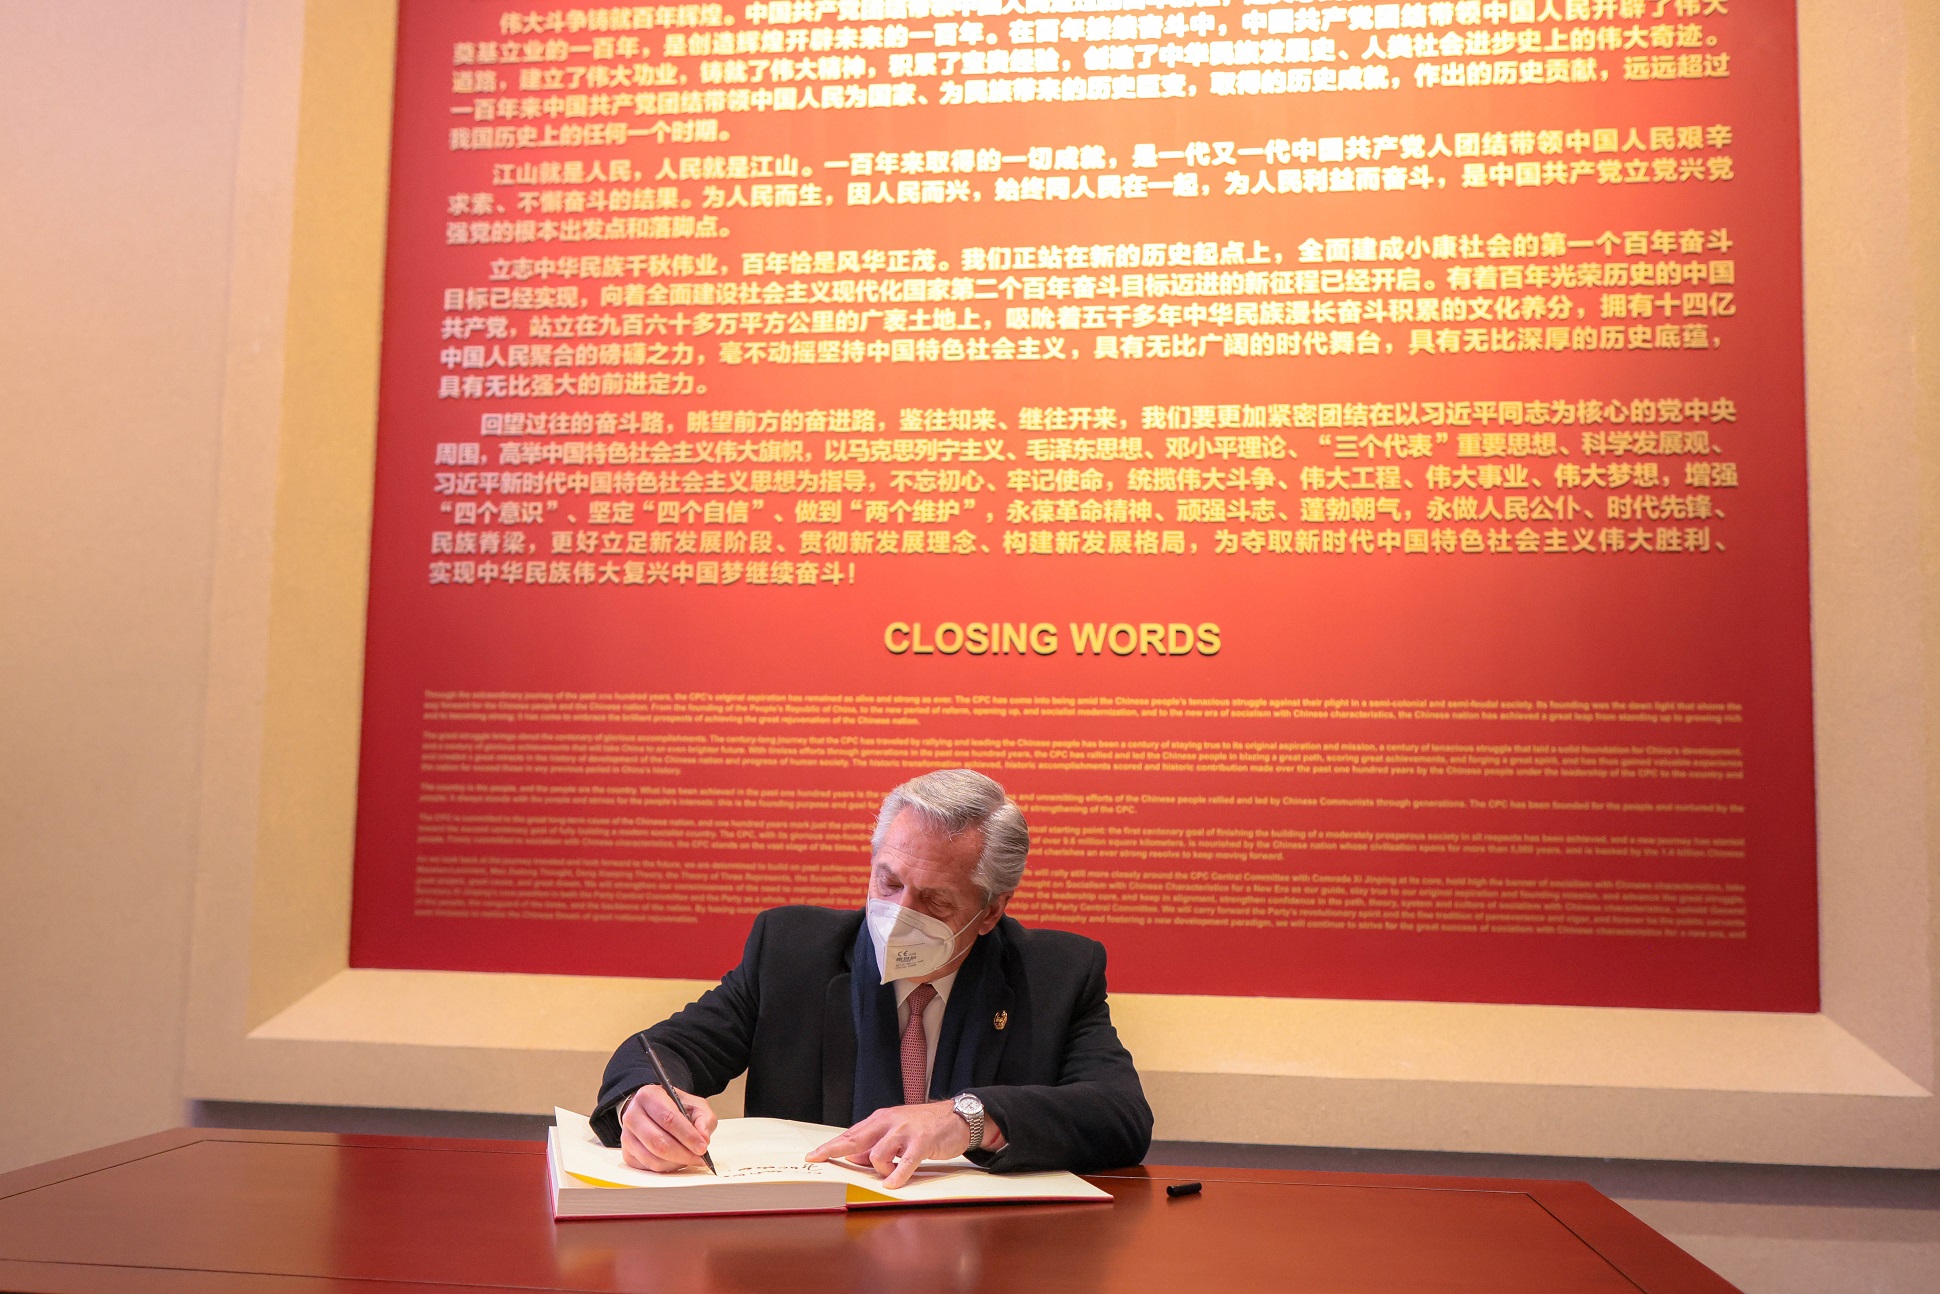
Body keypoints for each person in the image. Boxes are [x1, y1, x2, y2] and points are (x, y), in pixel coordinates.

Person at [592, 768, 1153, 1186]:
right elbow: (659, 1051)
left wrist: (966, 1118)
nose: (900, 915)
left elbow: (1120, 1115)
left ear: (990, 912)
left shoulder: (1056, 974)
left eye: (934, 901)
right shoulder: (791, 952)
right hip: (815, 1254)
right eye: (888, 883)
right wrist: (643, 1101)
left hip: (983, 1255)